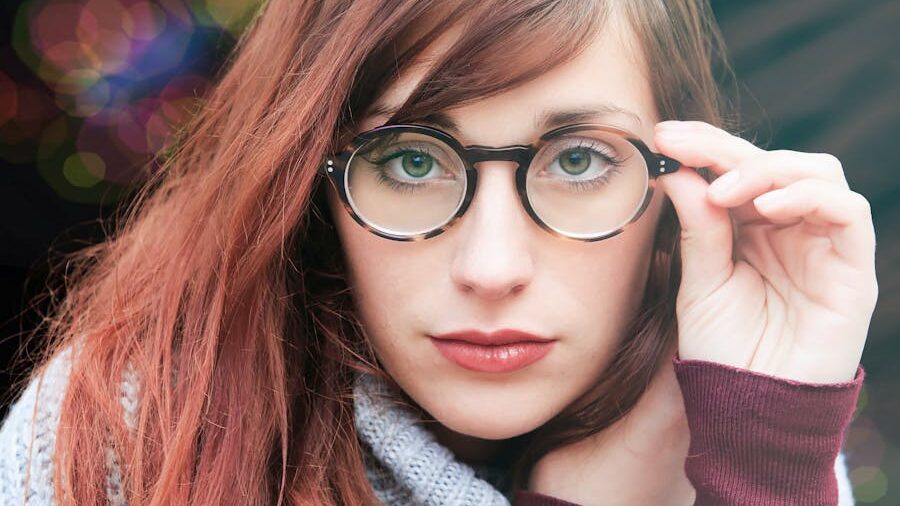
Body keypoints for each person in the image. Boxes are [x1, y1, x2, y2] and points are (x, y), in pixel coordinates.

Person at [0, 0, 876, 504]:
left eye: (578, 161)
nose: (491, 268)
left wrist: (765, 450)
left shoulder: (750, 430)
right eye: (410, 161)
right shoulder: (126, 433)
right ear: (308, 183)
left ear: (676, 182)